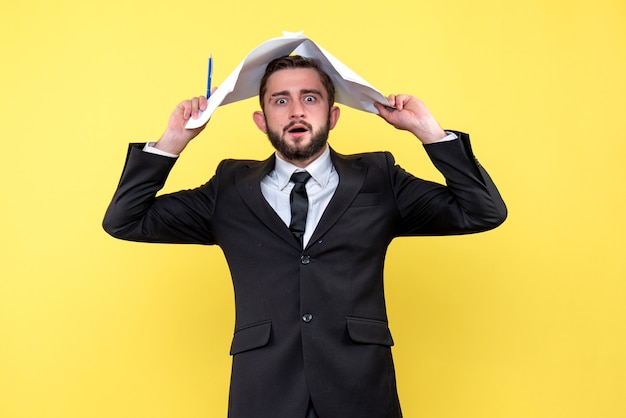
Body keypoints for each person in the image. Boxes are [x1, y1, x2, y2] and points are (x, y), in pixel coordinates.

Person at [103, 55, 507, 418]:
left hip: (360, 393)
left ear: (332, 115)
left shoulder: (380, 178)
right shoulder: (228, 188)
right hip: (264, 396)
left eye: (310, 98)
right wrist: (173, 141)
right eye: (280, 100)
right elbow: (126, 219)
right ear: (261, 119)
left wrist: (428, 132)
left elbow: (482, 211)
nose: (296, 111)